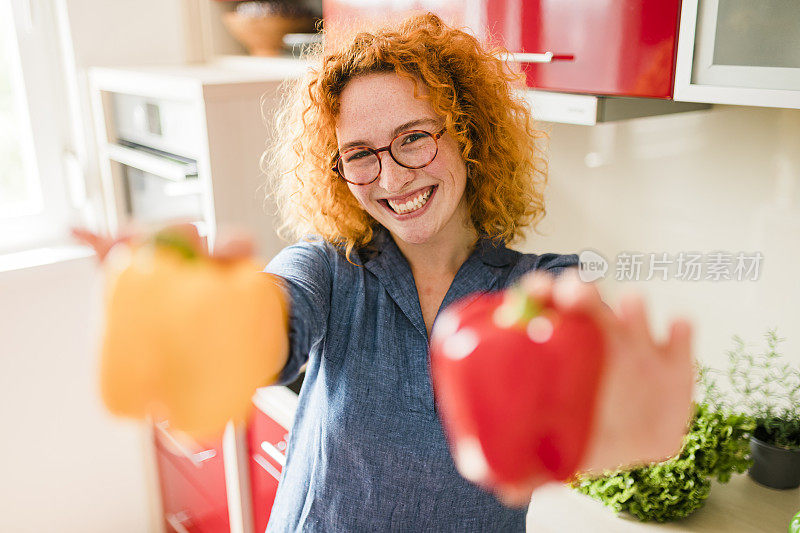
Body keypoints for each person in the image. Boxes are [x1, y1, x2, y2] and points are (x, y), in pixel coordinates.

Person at [75, 12, 694, 532]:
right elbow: (272, 318)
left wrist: (624, 420)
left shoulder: (539, 288)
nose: (393, 178)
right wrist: (220, 327)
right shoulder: (331, 267)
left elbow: (595, 384)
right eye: (360, 155)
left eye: (414, 138)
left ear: (468, 136)